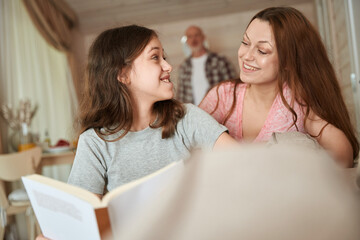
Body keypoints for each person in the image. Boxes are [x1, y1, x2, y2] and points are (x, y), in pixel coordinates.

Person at [65, 25, 236, 199]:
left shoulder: (187, 118)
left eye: (164, 57)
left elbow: (245, 162)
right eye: (155, 57)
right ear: (123, 74)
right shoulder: (94, 142)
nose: (168, 66)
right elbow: (84, 215)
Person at [199, 7, 359, 168]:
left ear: (288, 61)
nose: (246, 56)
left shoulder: (297, 103)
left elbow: (343, 155)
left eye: (262, 51)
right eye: (245, 42)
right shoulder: (222, 95)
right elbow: (186, 139)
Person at [176, 25, 237, 105]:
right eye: (190, 36)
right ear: (187, 41)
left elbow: (233, 86)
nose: (194, 39)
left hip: (219, 110)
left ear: (203, 37)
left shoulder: (220, 60)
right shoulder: (184, 66)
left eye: (196, 35)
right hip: (194, 114)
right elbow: (181, 96)